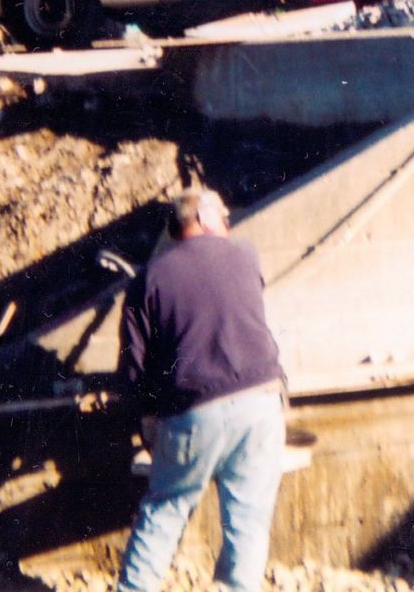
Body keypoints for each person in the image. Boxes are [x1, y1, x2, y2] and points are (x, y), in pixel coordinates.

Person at [116, 186, 287, 592]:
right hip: (263, 402)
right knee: (248, 521)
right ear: (206, 218)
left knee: (165, 512)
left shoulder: (150, 279)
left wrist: (150, 422)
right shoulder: (246, 255)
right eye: (225, 217)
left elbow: (136, 370)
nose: (229, 224)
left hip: (195, 412)